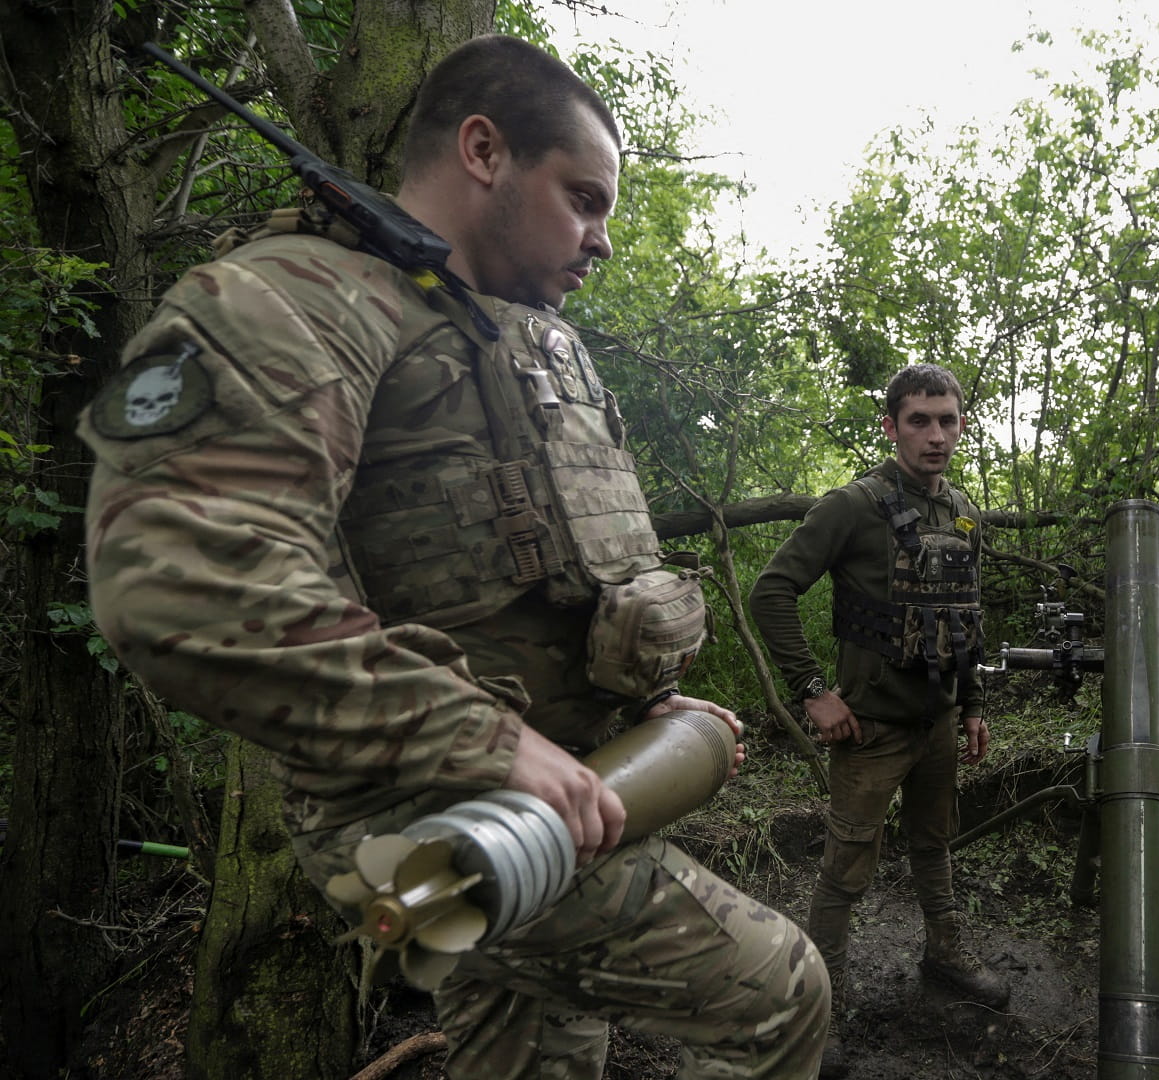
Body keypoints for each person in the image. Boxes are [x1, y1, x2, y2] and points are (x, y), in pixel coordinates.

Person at [80, 35, 826, 1080]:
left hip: (559, 792)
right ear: (483, 150)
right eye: (584, 197)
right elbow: (176, 587)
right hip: (426, 834)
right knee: (782, 994)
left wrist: (632, 710)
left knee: (539, 1059)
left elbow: (548, 577)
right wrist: (495, 744)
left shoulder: (516, 342)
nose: (601, 238)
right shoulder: (290, 298)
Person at [748, 364, 1011, 1073]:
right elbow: (771, 592)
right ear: (891, 426)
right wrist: (813, 690)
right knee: (845, 868)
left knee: (935, 845)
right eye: (918, 420)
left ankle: (945, 955)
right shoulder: (853, 506)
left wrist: (974, 704)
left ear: (961, 424)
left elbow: (965, 621)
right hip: (868, 731)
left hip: (937, 724)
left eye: (947, 420)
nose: (935, 435)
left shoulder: (961, 512)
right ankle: (817, 1001)